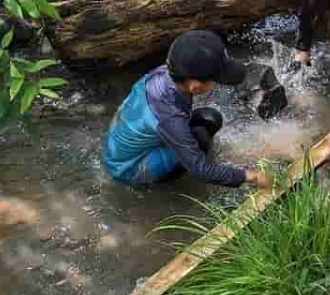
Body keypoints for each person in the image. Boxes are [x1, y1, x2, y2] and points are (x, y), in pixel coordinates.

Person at [102, 30, 271, 188]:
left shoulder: (166, 72)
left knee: (210, 118)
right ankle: (158, 184)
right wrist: (251, 176)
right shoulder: (169, 116)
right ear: (195, 86)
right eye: (215, 79)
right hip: (128, 168)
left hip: (119, 148)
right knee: (200, 138)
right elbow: (201, 171)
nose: (216, 83)